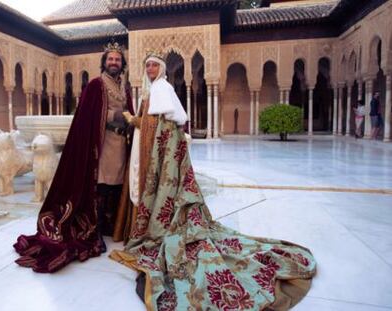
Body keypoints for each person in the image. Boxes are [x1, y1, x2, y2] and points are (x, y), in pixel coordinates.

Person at [110, 52, 316, 310]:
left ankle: (155, 227)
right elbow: (160, 124)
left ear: (161, 69)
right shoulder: (155, 89)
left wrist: (132, 119)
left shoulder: (162, 88)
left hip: (157, 152)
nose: (150, 68)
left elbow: (157, 126)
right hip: (152, 151)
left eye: (154, 65)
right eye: (147, 65)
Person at [13, 42, 134, 273]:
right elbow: (91, 113)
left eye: (118, 60)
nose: (114, 63)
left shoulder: (124, 87)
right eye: (110, 59)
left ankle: (110, 225)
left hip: (120, 145)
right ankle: (93, 229)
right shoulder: (96, 85)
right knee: (101, 186)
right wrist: (118, 114)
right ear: (104, 62)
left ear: (122, 64)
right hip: (101, 144)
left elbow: (129, 111)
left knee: (116, 186)